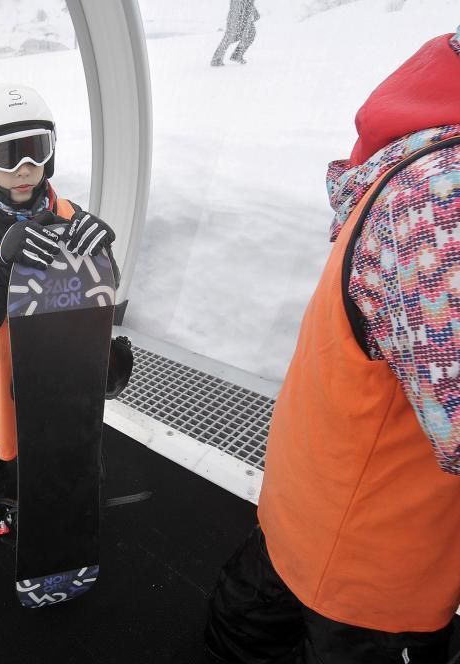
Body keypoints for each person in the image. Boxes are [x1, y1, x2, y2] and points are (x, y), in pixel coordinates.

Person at [204, 28, 460, 664]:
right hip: (380, 565)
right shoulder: (439, 198)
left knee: (252, 622)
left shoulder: (418, 163)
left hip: (312, 499)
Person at [0, 83, 123, 536]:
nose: (25, 168)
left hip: (58, 369)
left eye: (36, 150)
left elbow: (98, 297)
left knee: (69, 442)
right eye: (8, 154)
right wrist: (2, 263)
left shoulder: (69, 215)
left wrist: (103, 259)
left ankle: (72, 501)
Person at [211, 0, 259, 66]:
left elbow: (249, 2)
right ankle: (216, 59)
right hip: (237, 13)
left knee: (251, 33)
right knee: (231, 36)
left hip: (246, 12)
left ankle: (237, 54)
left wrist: (254, 12)